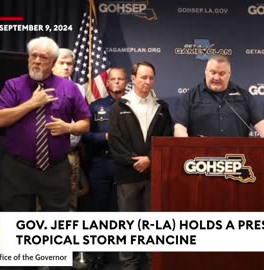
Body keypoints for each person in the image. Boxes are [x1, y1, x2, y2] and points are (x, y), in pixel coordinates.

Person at [0, 36, 90, 212]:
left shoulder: (69, 88)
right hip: (17, 168)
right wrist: (32, 103)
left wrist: (69, 127)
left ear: (52, 62)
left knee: (56, 224)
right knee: (15, 221)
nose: (36, 61)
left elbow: (85, 124)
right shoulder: (13, 85)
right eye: (33, 56)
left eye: (43, 57)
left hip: (56, 168)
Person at [108, 61, 172, 270]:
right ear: (133, 79)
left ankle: (154, 264)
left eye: (151, 78)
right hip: (127, 177)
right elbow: (115, 142)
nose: (147, 81)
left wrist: (151, 159)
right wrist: (135, 161)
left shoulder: (162, 108)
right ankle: (128, 265)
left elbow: (167, 138)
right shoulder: (119, 107)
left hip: (153, 176)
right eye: (143, 77)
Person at [82, 67, 127, 270]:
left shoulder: (134, 105)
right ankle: (98, 255)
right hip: (100, 164)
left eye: (120, 79)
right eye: (113, 79)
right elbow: (85, 136)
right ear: (107, 83)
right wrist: (105, 137)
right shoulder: (95, 106)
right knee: (98, 211)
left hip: (125, 166)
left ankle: (124, 255)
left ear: (126, 82)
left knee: (123, 211)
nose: (117, 82)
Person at [173, 54, 264, 138]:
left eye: (222, 74)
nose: (216, 77)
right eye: (213, 72)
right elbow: (179, 128)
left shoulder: (244, 97)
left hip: (237, 158)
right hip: (200, 159)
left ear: (229, 74)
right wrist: (186, 150)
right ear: (206, 72)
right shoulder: (190, 96)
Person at [51, 48, 88, 211]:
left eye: (69, 64)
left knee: (71, 199)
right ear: (52, 65)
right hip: (49, 154)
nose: (66, 67)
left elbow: (83, 122)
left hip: (72, 152)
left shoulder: (79, 89)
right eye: (62, 63)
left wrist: (69, 128)